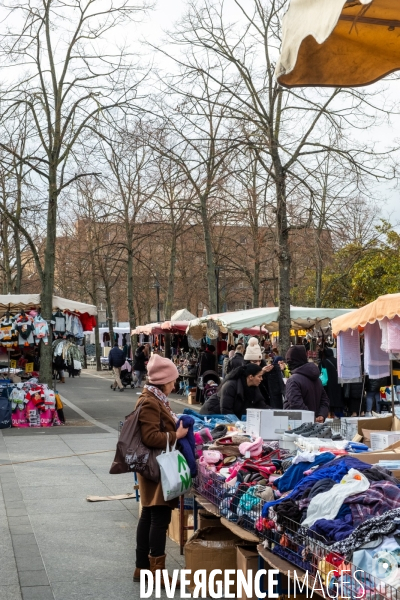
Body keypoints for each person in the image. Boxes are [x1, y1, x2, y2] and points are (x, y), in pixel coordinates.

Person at [133, 354, 186, 586]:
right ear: (163, 381)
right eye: (173, 380)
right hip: (157, 468)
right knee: (159, 517)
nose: (175, 384)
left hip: (154, 466)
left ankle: (142, 568)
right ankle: (156, 572)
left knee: (148, 515)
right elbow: (150, 437)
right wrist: (178, 435)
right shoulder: (149, 402)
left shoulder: (156, 399)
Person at [200, 363, 269, 419]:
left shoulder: (253, 387)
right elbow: (226, 410)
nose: (261, 379)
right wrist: (238, 424)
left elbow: (261, 405)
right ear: (251, 377)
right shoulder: (230, 385)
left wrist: (275, 412)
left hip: (225, 416)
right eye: (259, 376)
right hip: (211, 415)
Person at [283, 345, 329, 421]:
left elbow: (296, 404)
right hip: (314, 424)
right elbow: (325, 400)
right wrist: (321, 415)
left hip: (296, 424)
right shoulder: (317, 379)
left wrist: (312, 418)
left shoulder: (293, 380)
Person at [319, 346, 344, 418]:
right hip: (338, 384)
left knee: (328, 400)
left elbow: (320, 373)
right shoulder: (338, 361)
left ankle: (329, 415)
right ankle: (337, 415)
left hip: (327, 385)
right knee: (337, 400)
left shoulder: (323, 362)